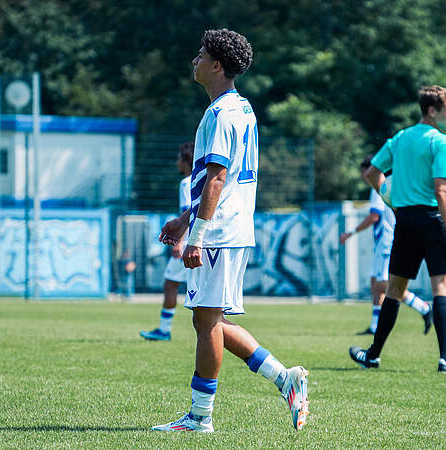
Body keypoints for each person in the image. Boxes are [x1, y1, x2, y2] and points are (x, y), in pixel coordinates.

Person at [151, 29, 309, 433]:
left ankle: (200, 418)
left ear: (217, 65)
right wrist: (186, 218)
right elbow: (221, 179)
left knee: (206, 323)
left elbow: (218, 179)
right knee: (211, 321)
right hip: (231, 225)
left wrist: (197, 236)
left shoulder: (219, 113)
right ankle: (283, 378)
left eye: (201, 55)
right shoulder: (243, 108)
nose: (195, 60)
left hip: (219, 232)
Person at [349, 85, 446, 373]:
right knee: (440, 286)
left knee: (394, 289)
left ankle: (374, 354)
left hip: (405, 221)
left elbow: (372, 174)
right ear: (432, 110)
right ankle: (444, 358)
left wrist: (390, 200)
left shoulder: (400, 138)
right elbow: (441, 191)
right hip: (432, 219)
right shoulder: (440, 142)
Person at [340, 156, 432, 335]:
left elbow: (374, 216)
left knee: (385, 285)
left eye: (365, 172)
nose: (364, 176)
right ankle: (374, 326)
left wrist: (351, 233)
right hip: (381, 243)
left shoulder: (379, 188)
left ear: (370, 170)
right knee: (375, 282)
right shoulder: (387, 186)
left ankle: (423, 307)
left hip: (386, 243)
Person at [140, 142, 194, 341]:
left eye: (179, 158)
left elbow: (187, 212)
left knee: (171, 284)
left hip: (189, 244)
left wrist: (179, 242)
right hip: (203, 244)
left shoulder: (187, 183)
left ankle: (164, 330)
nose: (176, 162)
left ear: (186, 160)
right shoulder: (202, 181)